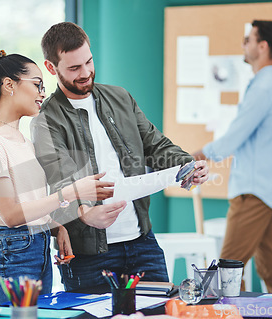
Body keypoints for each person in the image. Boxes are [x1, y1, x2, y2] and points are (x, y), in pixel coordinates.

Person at [31, 22, 209, 291]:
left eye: (89, 62)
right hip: (89, 256)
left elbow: (156, 146)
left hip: (142, 242)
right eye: (74, 68)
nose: (86, 72)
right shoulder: (46, 121)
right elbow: (59, 186)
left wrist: (187, 165)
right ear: (51, 68)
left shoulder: (120, 97)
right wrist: (83, 213)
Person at [0, 49, 119, 304]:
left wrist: (55, 227)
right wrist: (70, 192)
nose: (42, 93)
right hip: (12, 252)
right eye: (37, 85)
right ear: (9, 85)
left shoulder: (23, 142)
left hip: (36, 248)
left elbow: (29, 203)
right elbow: (12, 215)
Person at [193, 20, 272, 294]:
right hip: (266, 192)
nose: (243, 44)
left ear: (263, 46)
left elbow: (236, 135)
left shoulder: (265, 88)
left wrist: (198, 156)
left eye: (248, 39)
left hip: (253, 192)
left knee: (225, 276)